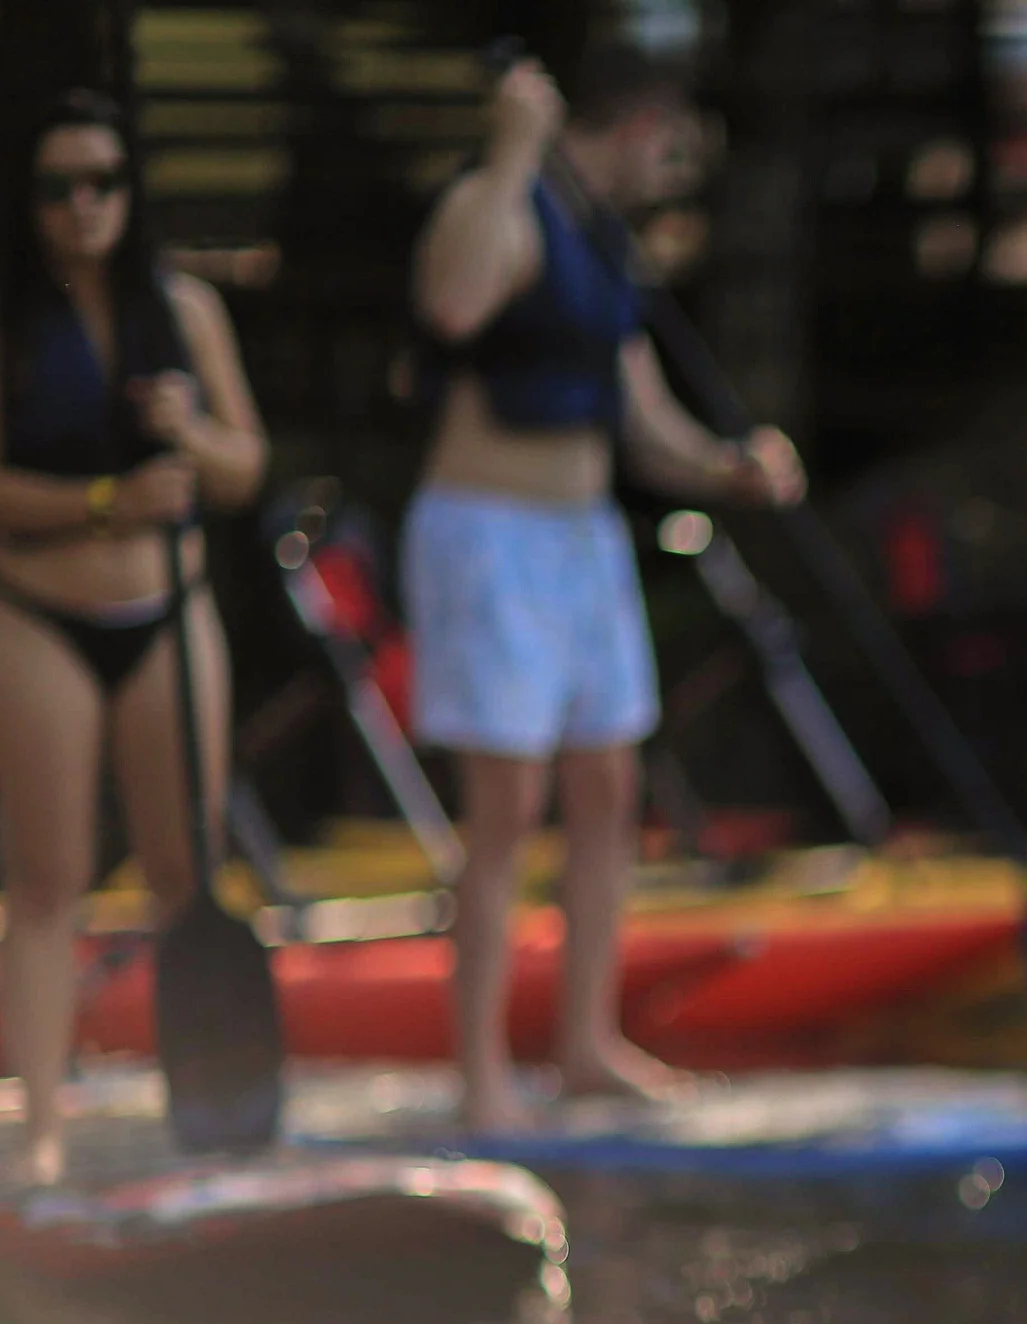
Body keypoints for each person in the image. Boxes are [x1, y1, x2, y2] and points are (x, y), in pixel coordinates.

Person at [406, 50, 803, 1132]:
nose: (677, 166)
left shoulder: (605, 237)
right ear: (634, 123)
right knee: (504, 811)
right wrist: (511, 147)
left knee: (606, 792)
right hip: (487, 534)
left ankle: (586, 1045)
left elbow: (640, 421)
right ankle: (480, 1073)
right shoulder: (497, 202)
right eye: (671, 139)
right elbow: (455, 302)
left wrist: (729, 466)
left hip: (581, 535)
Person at [0, 91, 269, 1188]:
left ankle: (208, 1108)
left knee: (187, 868)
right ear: (32, 202)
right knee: (48, 878)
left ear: (129, 194)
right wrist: (108, 500)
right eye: (57, 187)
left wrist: (189, 433)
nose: (81, 205)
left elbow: (245, 469)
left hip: (170, 613)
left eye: (100, 182)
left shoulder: (185, 312)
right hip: (38, 612)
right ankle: (41, 1128)